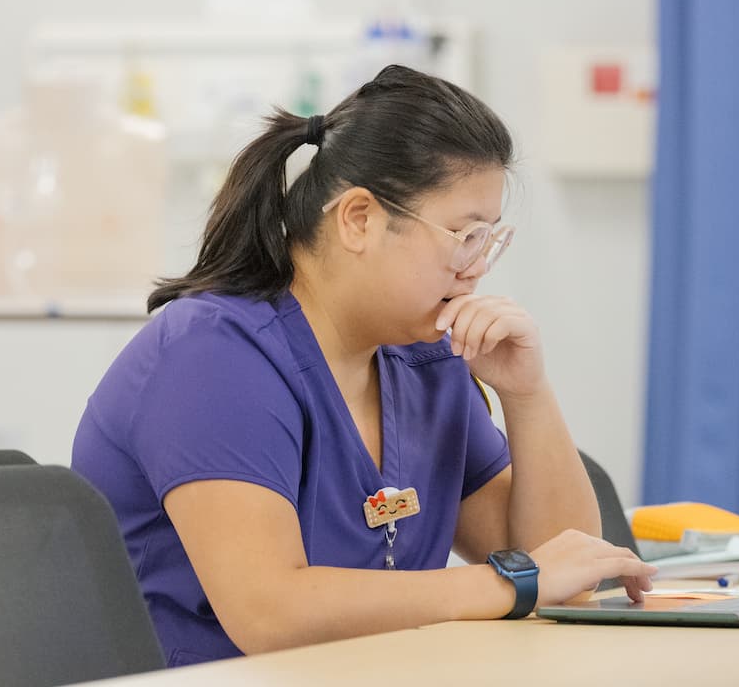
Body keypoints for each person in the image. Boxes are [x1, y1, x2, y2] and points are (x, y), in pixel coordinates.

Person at [72, 65, 656, 667]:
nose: (477, 267)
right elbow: (269, 612)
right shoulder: (213, 356)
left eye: (488, 240)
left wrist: (526, 394)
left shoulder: (426, 357)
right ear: (359, 219)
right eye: (464, 235)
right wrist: (508, 585)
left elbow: (562, 573)